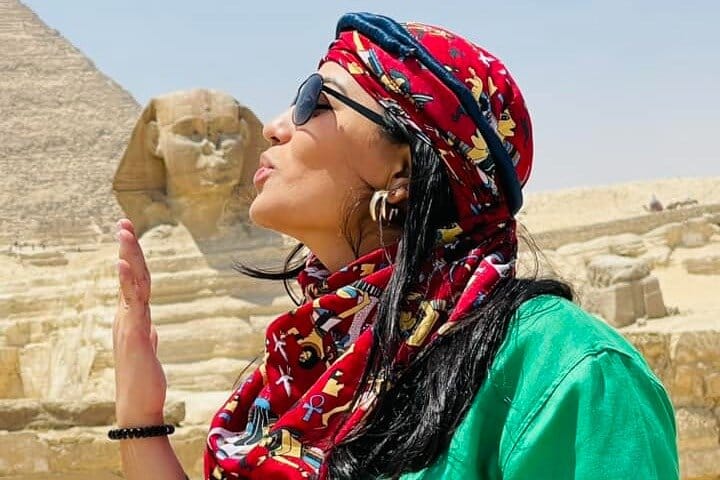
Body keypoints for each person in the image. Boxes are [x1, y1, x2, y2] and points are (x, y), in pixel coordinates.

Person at [112, 12, 679, 480]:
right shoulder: (314, 356)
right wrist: (139, 413)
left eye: (316, 102)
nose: (274, 126)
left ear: (403, 169)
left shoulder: (567, 372)